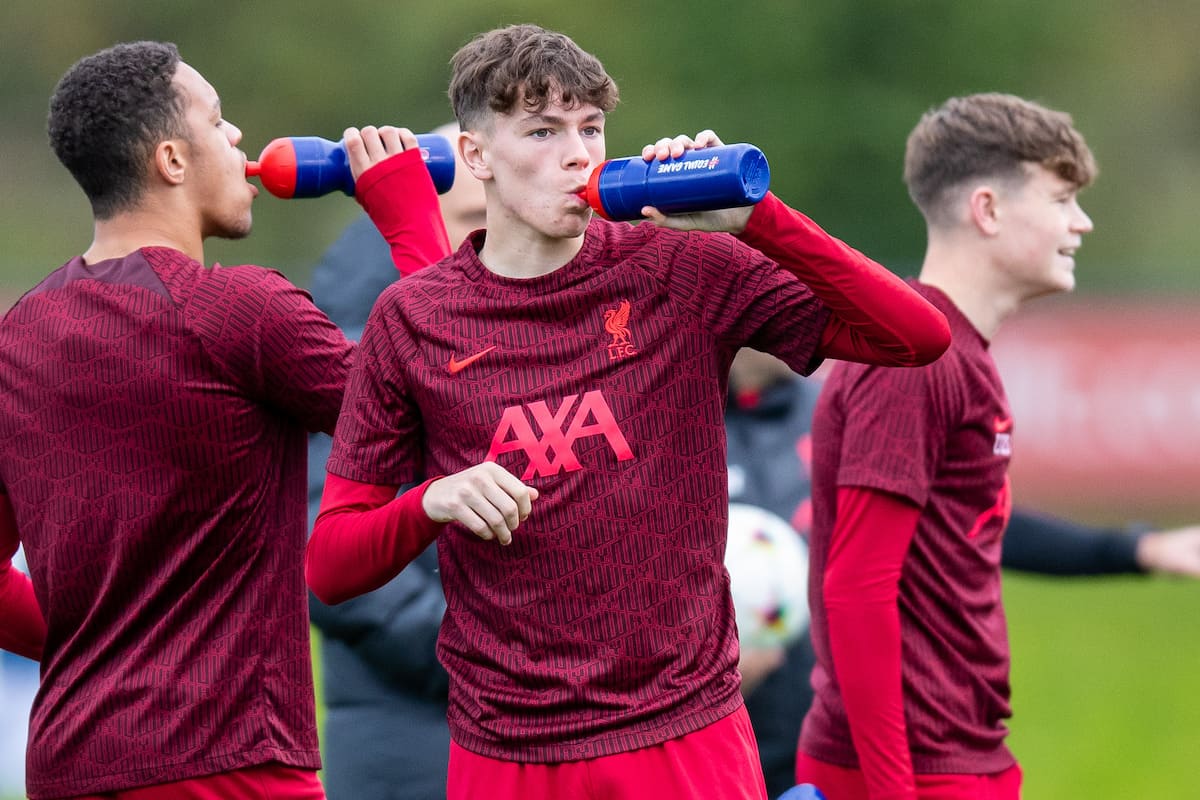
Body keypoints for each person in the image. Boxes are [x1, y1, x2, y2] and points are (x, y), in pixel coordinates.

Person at [304, 23, 950, 800]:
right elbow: (331, 565)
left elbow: (917, 335)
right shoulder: (409, 318)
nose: (577, 153)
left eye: (590, 128)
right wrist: (430, 503)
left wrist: (759, 221)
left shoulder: (683, 265)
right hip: (503, 752)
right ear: (476, 159)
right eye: (542, 131)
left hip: (682, 735)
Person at [0, 41, 446, 799]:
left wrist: (99, 642)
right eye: (218, 120)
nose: (239, 137)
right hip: (228, 764)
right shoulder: (240, 309)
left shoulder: (17, 337)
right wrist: (408, 217)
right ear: (172, 160)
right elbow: (450, 387)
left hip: (69, 761)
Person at [795, 92, 1098, 800]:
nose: (1081, 223)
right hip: (911, 772)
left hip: (959, 757)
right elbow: (857, 588)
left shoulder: (960, 350)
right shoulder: (914, 357)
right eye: (1061, 199)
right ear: (987, 210)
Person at [723, 349, 1200, 798]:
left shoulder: (842, 411)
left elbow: (968, 523)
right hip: (704, 737)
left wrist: (1135, 550)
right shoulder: (665, 416)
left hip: (816, 738)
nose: (794, 296)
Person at [305, 122, 486, 800]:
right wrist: (512, 646)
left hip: (528, 723)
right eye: (471, 216)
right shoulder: (342, 352)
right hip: (410, 739)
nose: (485, 237)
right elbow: (332, 558)